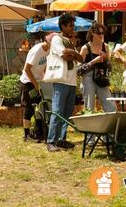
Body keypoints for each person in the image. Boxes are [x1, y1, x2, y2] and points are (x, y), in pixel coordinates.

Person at [46, 13, 83, 152]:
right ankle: (51, 141)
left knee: (67, 112)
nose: (72, 28)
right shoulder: (56, 39)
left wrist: (72, 53)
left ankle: (61, 139)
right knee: (57, 111)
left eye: (73, 25)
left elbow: (80, 58)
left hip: (71, 82)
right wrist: (73, 53)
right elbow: (66, 56)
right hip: (61, 80)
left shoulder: (69, 41)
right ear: (63, 26)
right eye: (70, 25)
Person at [20, 32, 57, 142]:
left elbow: (44, 66)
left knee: (40, 107)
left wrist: (44, 79)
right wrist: (35, 84)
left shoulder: (49, 50)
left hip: (38, 81)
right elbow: (27, 69)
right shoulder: (37, 50)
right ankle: (26, 135)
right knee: (29, 108)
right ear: (48, 42)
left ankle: (38, 133)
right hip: (27, 81)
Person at [80, 21, 116, 114]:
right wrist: (94, 61)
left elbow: (109, 66)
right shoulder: (85, 48)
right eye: (99, 33)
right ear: (92, 33)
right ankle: (89, 126)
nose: (101, 35)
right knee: (89, 105)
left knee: (110, 104)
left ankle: (111, 124)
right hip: (88, 76)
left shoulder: (105, 46)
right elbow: (79, 68)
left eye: (102, 33)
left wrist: (105, 58)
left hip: (101, 76)